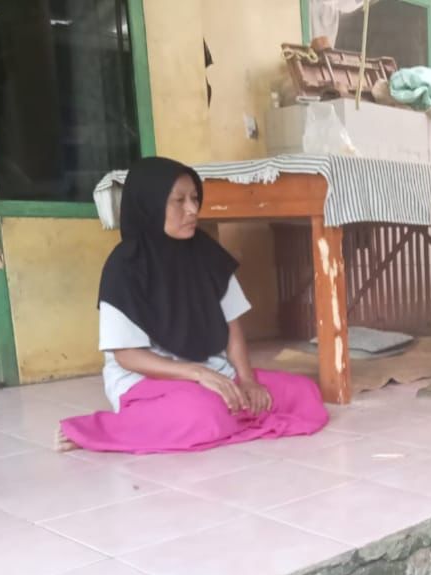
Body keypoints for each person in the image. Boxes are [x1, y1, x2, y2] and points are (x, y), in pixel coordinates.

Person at [57, 156, 329, 453]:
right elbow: (128, 356)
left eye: (195, 198)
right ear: (150, 204)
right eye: (179, 201)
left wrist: (248, 379)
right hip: (146, 379)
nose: (192, 210)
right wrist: (198, 374)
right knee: (201, 413)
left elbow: (232, 327)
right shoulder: (124, 267)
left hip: (214, 372)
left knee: (304, 394)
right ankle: (96, 431)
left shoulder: (207, 254)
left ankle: (222, 421)